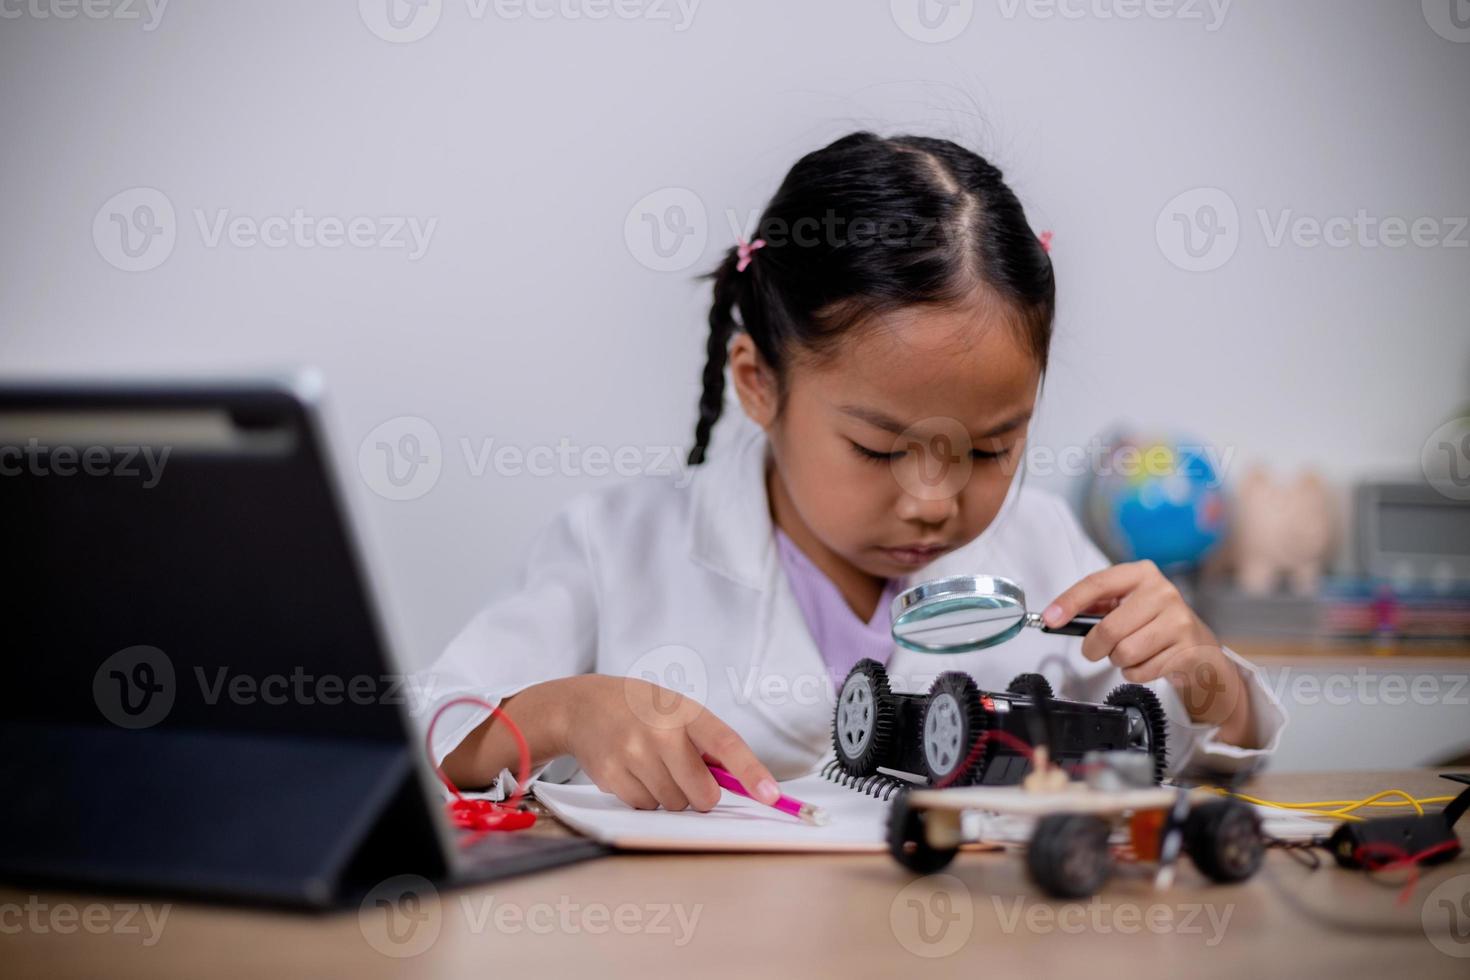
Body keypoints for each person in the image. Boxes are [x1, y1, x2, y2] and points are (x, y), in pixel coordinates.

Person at [416, 132, 1285, 813]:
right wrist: (561, 710)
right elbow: (430, 736)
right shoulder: (615, 547)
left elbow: (1191, 757)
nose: (935, 502)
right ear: (758, 382)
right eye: (877, 449)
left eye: (990, 450)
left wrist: (1212, 685)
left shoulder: (1044, 547)